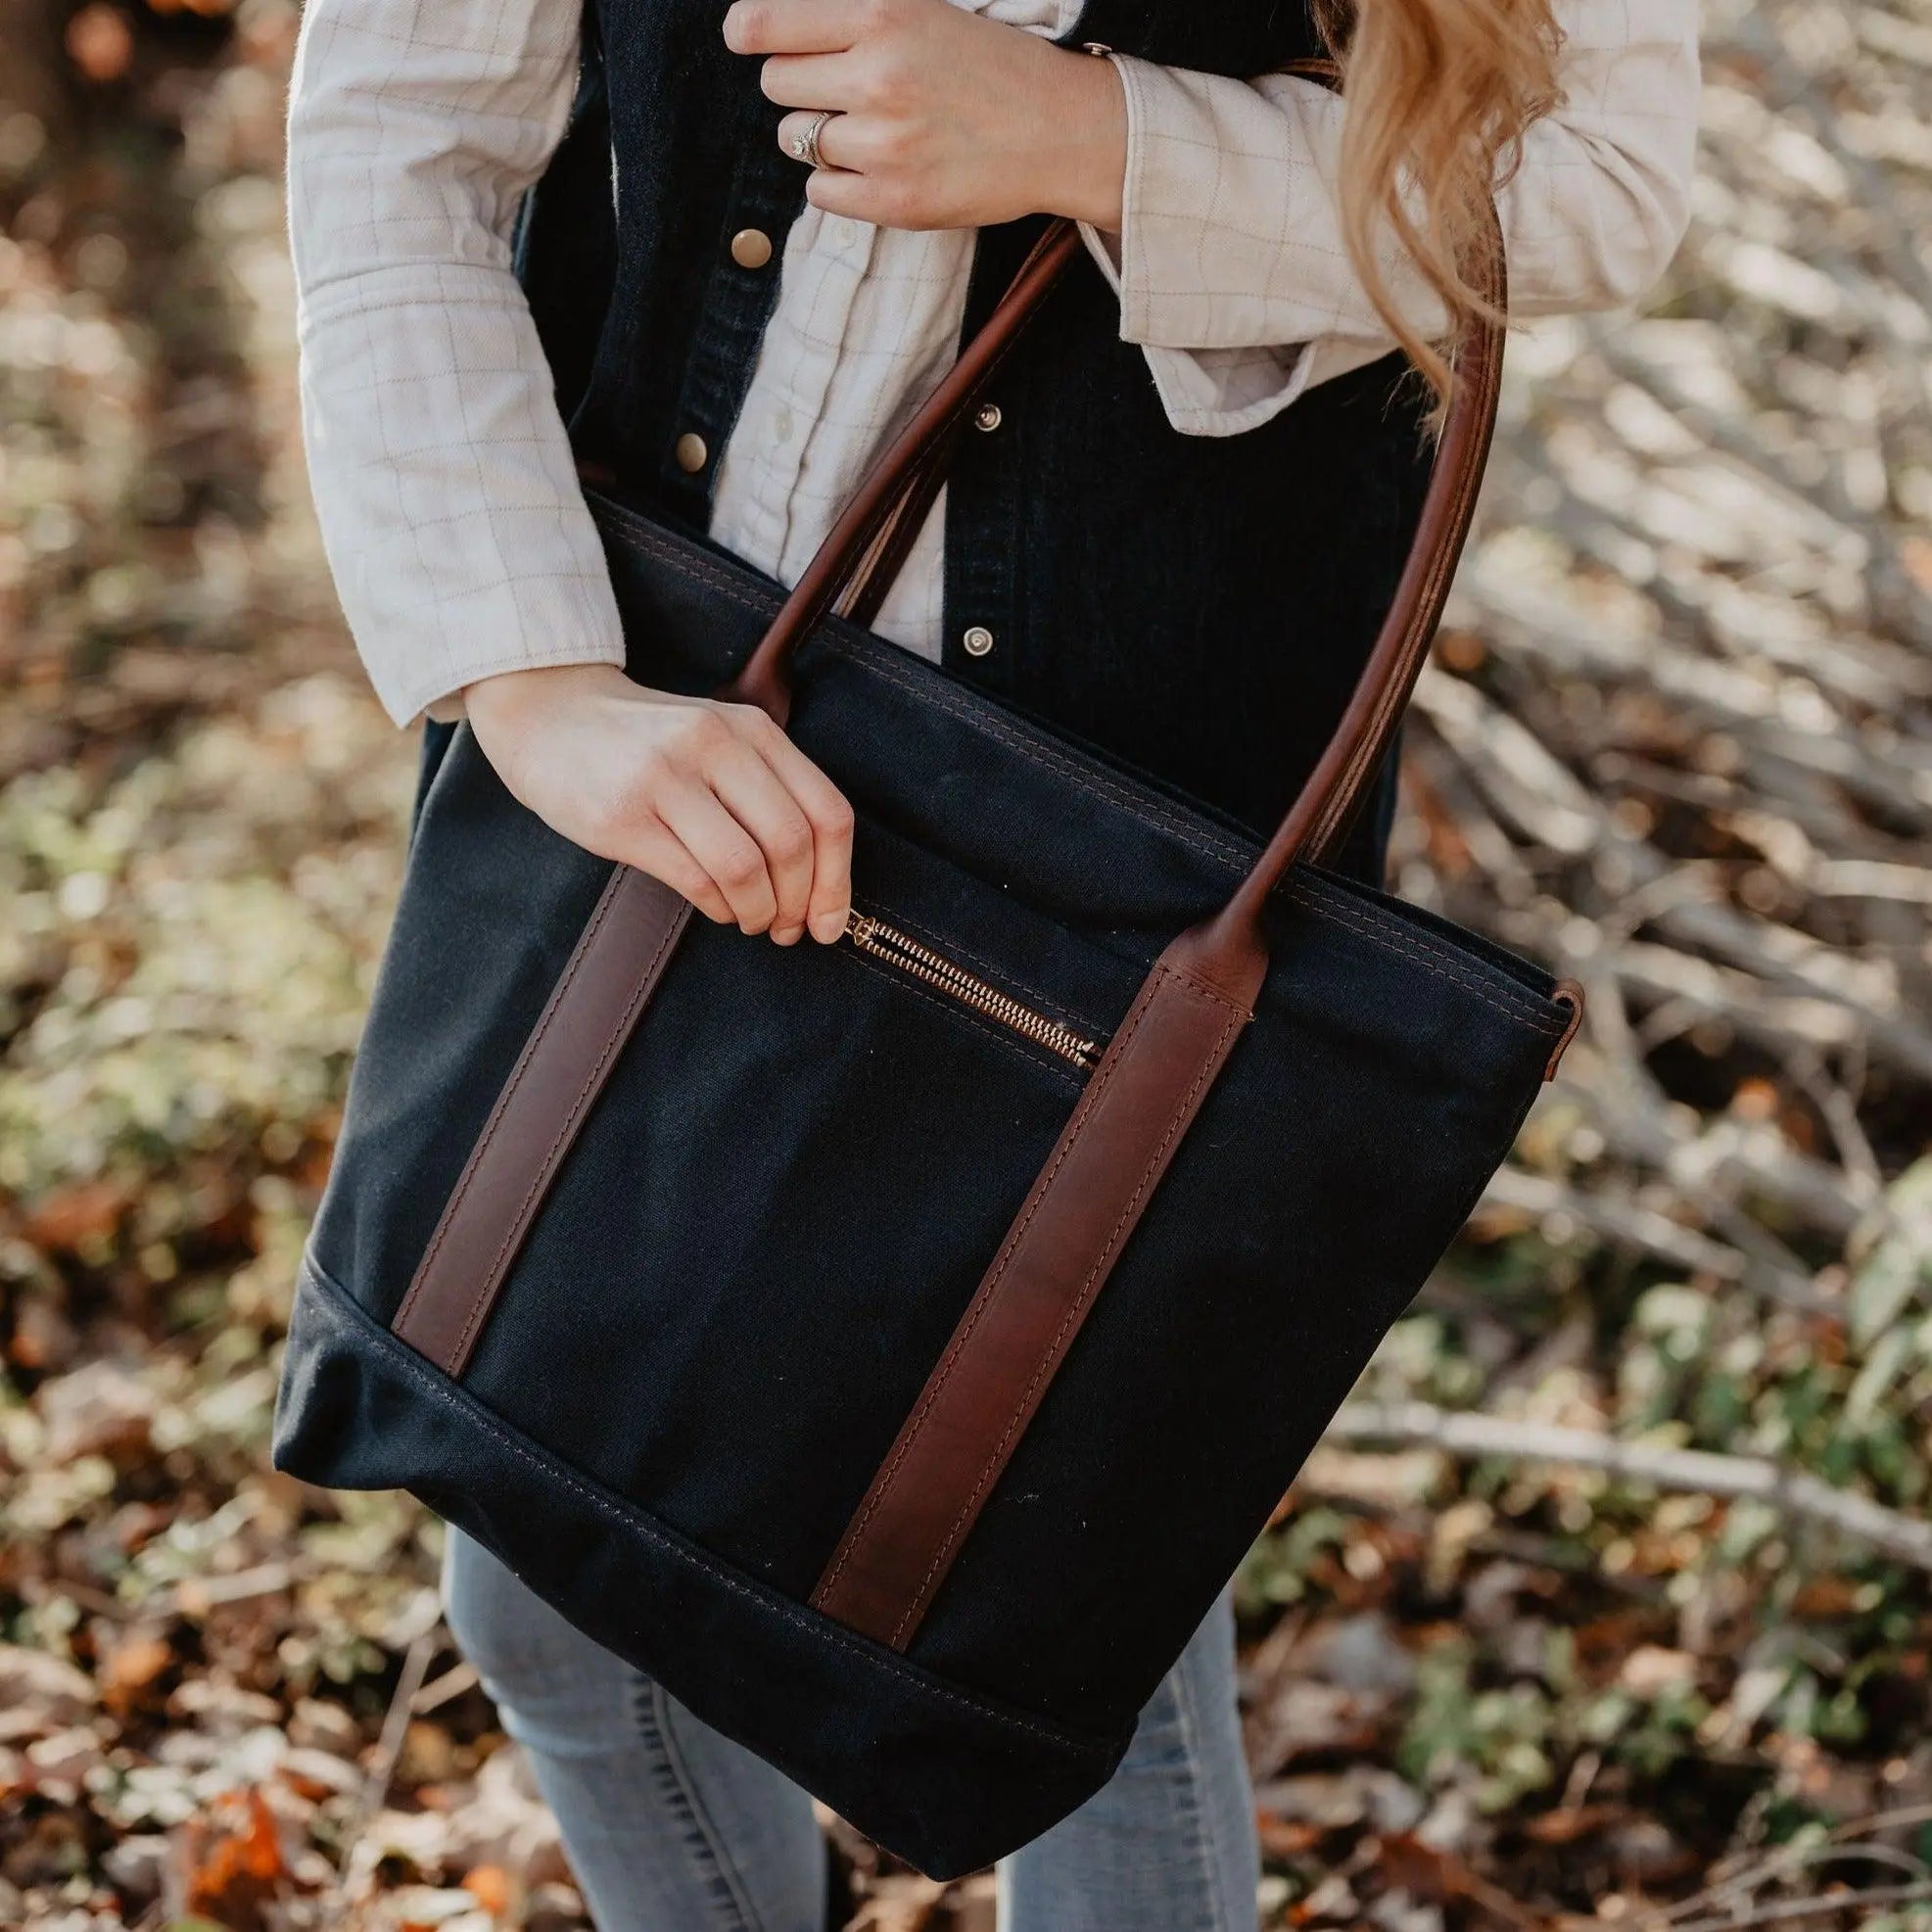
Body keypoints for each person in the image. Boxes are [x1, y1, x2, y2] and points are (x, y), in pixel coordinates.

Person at [285, 0, 1698, 1921]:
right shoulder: (586, 695)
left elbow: (1602, 182)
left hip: (1141, 821)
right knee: (545, 1578)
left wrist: (1097, 140)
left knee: (1044, 1626)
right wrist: (535, 682)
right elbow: (403, 132)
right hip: (656, 711)